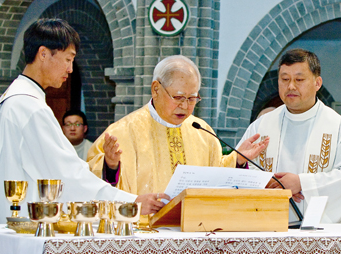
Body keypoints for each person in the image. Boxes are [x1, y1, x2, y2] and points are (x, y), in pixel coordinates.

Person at [0, 18, 164, 224]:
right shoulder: (30, 107)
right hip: (27, 227)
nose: (70, 69)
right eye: (68, 59)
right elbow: (66, 177)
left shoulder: (12, 98)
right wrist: (131, 203)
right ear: (43, 54)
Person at [87, 55, 268, 194]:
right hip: (144, 233)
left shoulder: (202, 132)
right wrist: (110, 166)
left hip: (193, 230)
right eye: (179, 97)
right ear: (156, 89)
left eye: (192, 98)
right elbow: (91, 181)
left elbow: (215, 177)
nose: (185, 106)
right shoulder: (122, 133)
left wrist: (237, 160)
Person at [237, 48, 341, 223]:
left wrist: (302, 183)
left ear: (317, 83)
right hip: (267, 226)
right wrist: (264, 181)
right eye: (285, 79)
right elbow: (241, 170)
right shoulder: (261, 126)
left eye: (299, 79)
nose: (291, 86)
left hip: (318, 234)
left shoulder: (339, 128)